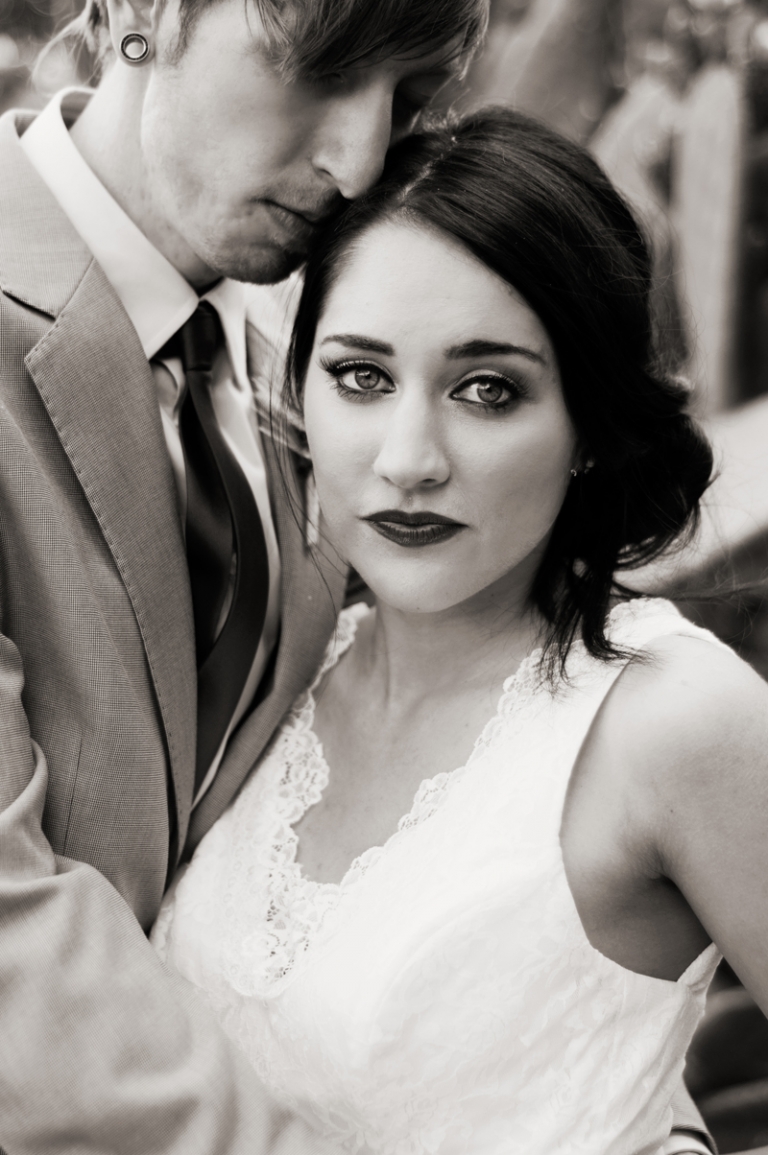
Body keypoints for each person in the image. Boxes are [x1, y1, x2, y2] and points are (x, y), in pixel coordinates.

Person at [152, 107, 768, 1154]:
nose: (408, 458)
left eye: (488, 390)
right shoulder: (268, 664)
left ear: (588, 425)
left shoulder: (674, 721)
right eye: (361, 376)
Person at [0, 0, 489, 1149]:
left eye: (409, 100)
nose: (359, 161)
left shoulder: (316, 360)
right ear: (142, 13)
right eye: (319, 67)